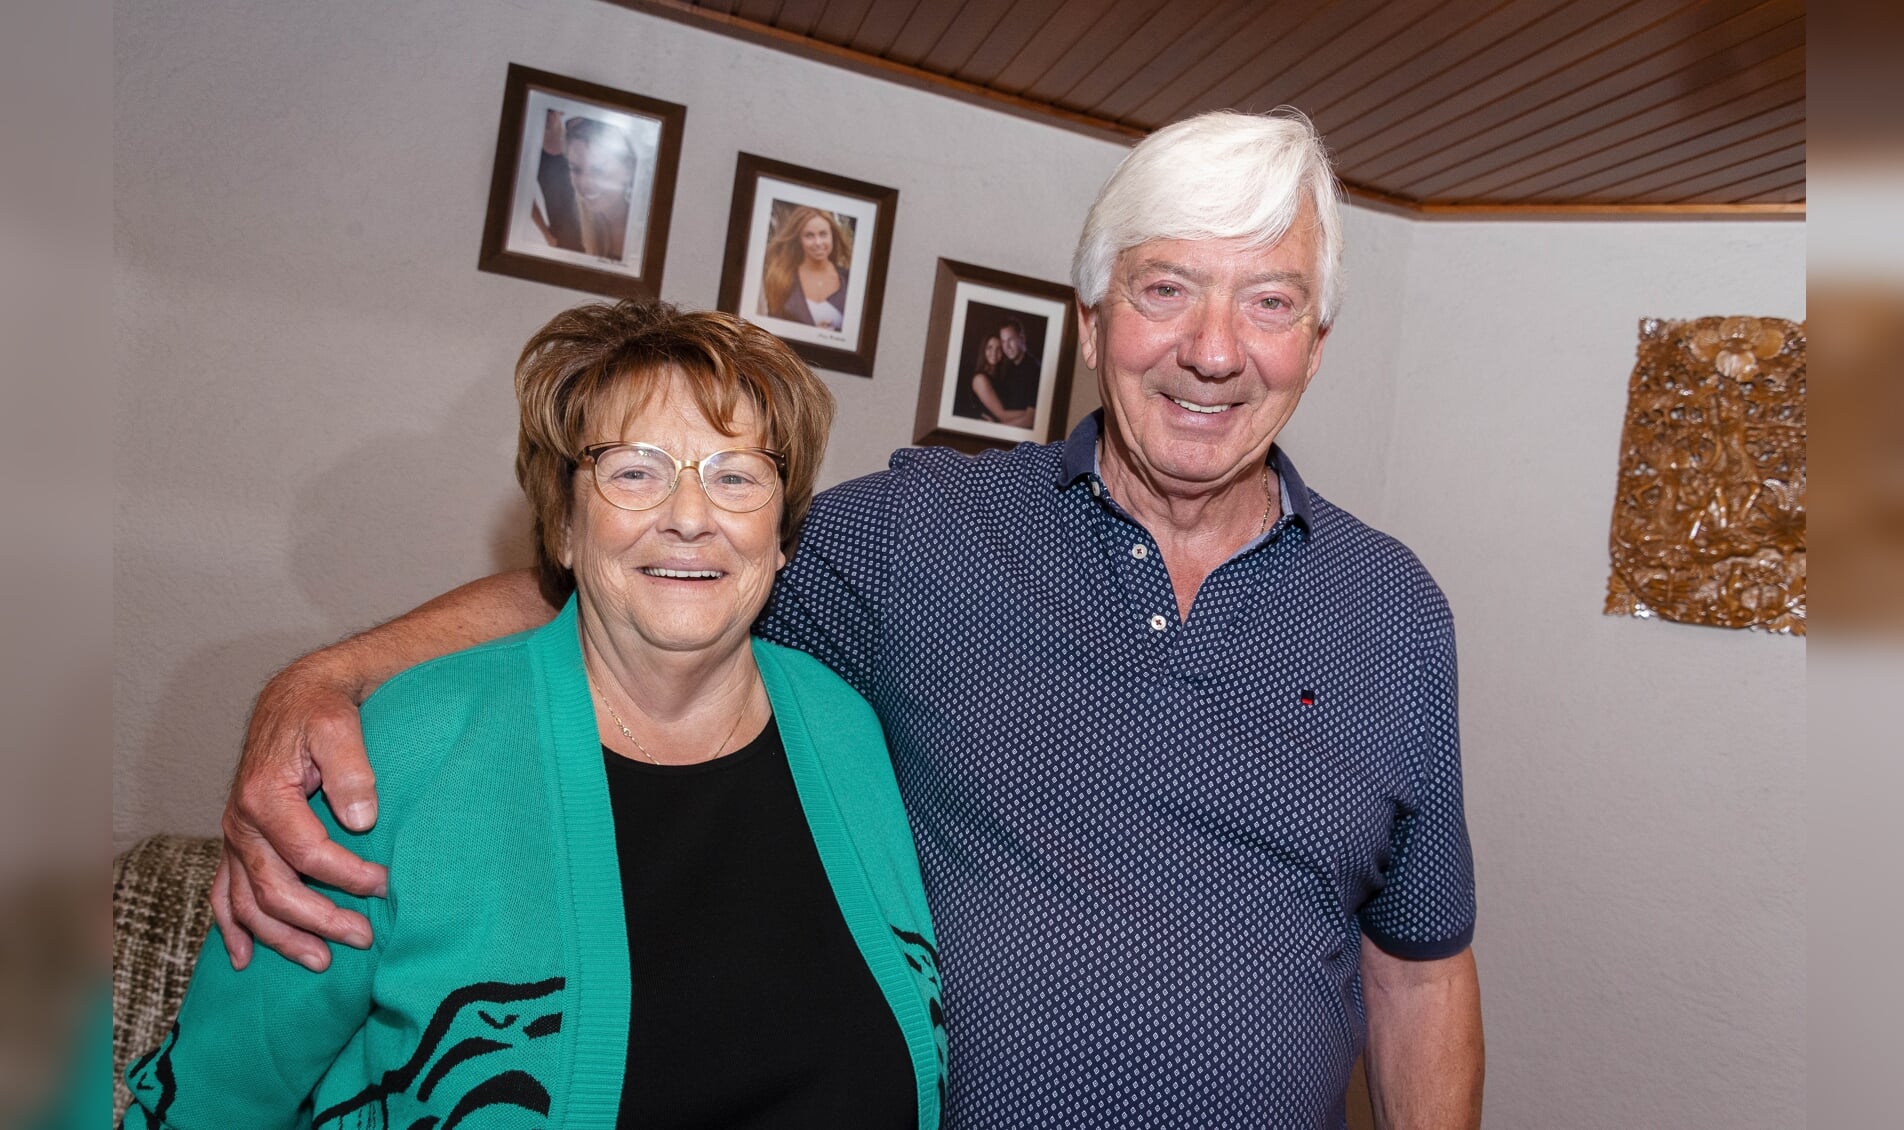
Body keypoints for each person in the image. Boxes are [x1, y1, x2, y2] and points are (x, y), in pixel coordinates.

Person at [217, 109, 1482, 1129]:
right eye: (1167, 290)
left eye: (1268, 301)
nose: (1214, 349)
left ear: (1315, 341)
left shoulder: (1395, 612)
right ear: (1092, 324)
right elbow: (653, 576)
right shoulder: (917, 537)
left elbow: (1419, 970)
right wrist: (331, 677)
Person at [125, 300, 946, 1128]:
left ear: (782, 533)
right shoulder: (408, 746)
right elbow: (217, 1092)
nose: (690, 516)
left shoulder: (848, 729)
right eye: (635, 471)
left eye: (736, 476)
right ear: (563, 521)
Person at [531, 111, 638, 261]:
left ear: (629, 168)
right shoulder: (591, 225)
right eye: (576, 169)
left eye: (599, 170)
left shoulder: (641, 235)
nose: (585, 183)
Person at [762, 205, 852, 330]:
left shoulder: (850, 280)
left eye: (823, 234)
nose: (818, 243)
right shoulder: (781, 280)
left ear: (833, 236)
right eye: (809, 235)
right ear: (799, 239)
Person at [989, 315, 1042, 423]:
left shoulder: (1035, 370)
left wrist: (996, 428)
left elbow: (1030, 419)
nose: (1007, 346)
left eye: (1011, 340)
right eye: (1003, 341)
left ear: (1022, 339)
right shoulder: (1009, 368)